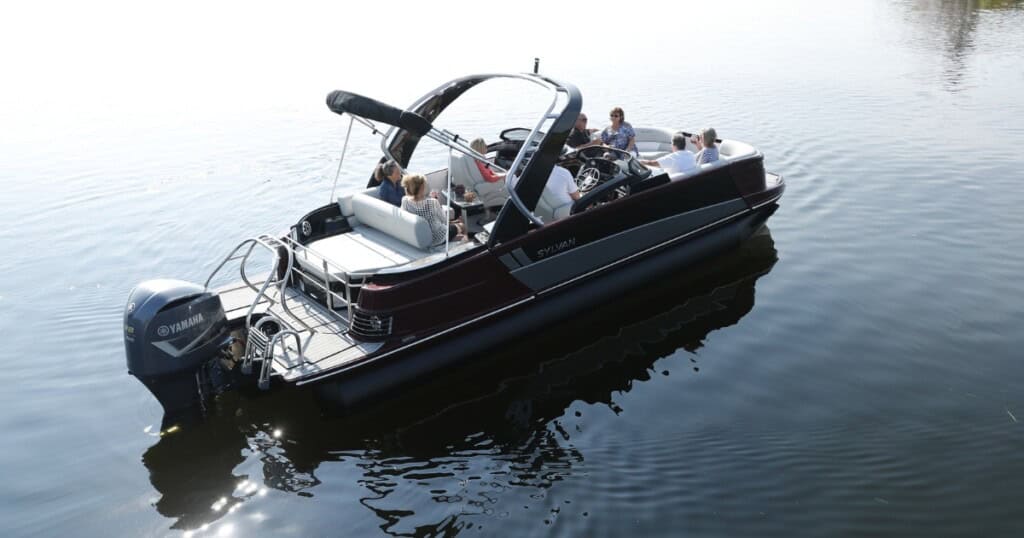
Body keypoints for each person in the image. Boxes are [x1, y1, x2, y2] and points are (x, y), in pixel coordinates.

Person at [400, 173, 465, 245]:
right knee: (462, 225)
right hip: (437, 237)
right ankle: (468, 247)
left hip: (419, 236)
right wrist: (437, 203)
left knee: (453, 225)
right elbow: (444, 221)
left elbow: (406, 216)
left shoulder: (405, 201)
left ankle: (456, 235)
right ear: (422, 187)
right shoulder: (432, 202)